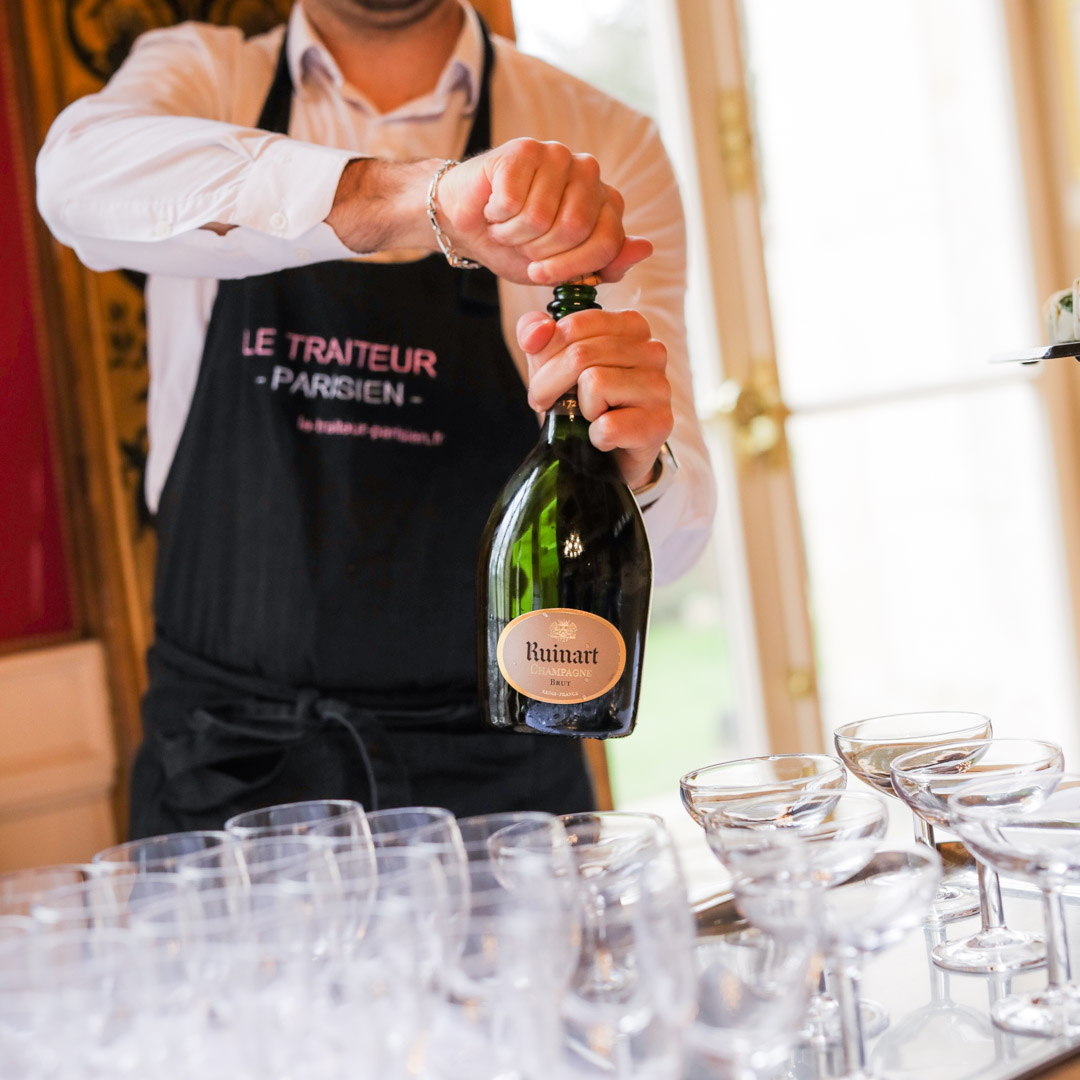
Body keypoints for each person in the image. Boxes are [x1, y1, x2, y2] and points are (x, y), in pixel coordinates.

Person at [36, 0, 716, 838]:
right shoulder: (206, 77)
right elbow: (70, 183)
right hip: (227, 793)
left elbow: (676, 544)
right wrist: (426, 200)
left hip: (497, 795)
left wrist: (636, 468)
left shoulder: (600, 145)